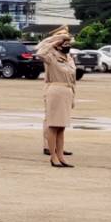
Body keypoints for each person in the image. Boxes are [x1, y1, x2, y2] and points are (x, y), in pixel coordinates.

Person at [37, 27, 78, 167]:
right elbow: (40, 53)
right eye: (64, 42)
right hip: (55, 91)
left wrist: (73, 97)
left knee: (62, 127)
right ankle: (53, 156)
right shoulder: (51, 56)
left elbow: (73, 79)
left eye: (68, 43)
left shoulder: (69, 58)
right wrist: (53, 42)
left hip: (67, 91)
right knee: (53, 126)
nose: (67, 45)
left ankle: (61, 155)